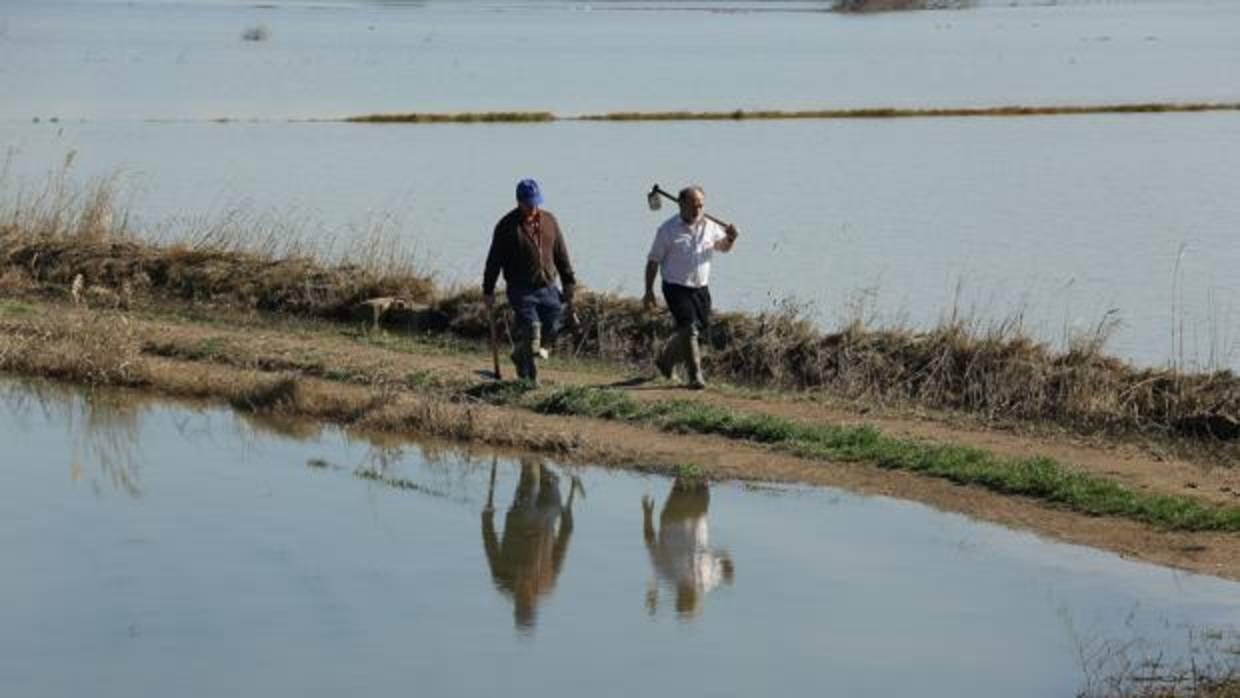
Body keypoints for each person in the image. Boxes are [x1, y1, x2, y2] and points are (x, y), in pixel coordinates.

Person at [643, 185, 739, 389]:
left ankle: (666, 361)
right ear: (681, 205)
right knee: (689, 329)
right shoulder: (668, 229)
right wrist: (649, 290)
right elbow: (653, 261)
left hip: (701, 288)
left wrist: (730, 238)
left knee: (699, 329)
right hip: (675, 287)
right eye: (693, 205)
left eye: (701, 205)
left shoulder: (711, 226)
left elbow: (723, 248)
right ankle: (695, 376)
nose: (697, 210)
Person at [483, 178, 577, 385]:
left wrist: (568, 280)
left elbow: (561, 253)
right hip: (521, 289)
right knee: (532, 329)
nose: (533, 207)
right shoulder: (506, 226)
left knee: (552, 325)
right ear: (519, 202)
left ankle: (519, 354)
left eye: (536, 202)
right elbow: (494, 260)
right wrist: (488, 290)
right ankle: (528, 378)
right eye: (528, 203)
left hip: (548, 287)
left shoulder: (550, 221)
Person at [482, 457, 580, 631]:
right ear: (534, 604)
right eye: (527, 605)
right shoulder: (547, 584)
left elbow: (490, 544)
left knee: (531, 483)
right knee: (550, 479)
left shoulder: (502, 579)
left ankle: (530, 462)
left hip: (523, 517)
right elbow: (561, 548)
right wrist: (567, 522)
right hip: (548, 515)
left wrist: (487, 518)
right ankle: (538, 466)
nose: (524, 598)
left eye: (523, 604)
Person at [642, 477, 735, 619]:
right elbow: (726, 562)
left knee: (688, 476)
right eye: (691, 600)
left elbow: (650, 541)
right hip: (694, 514)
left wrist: (647, 516)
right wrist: (728, 572)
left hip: (675, 516)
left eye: (686, 599)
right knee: (697, 477)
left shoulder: (668, 574)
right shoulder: (707, 581)